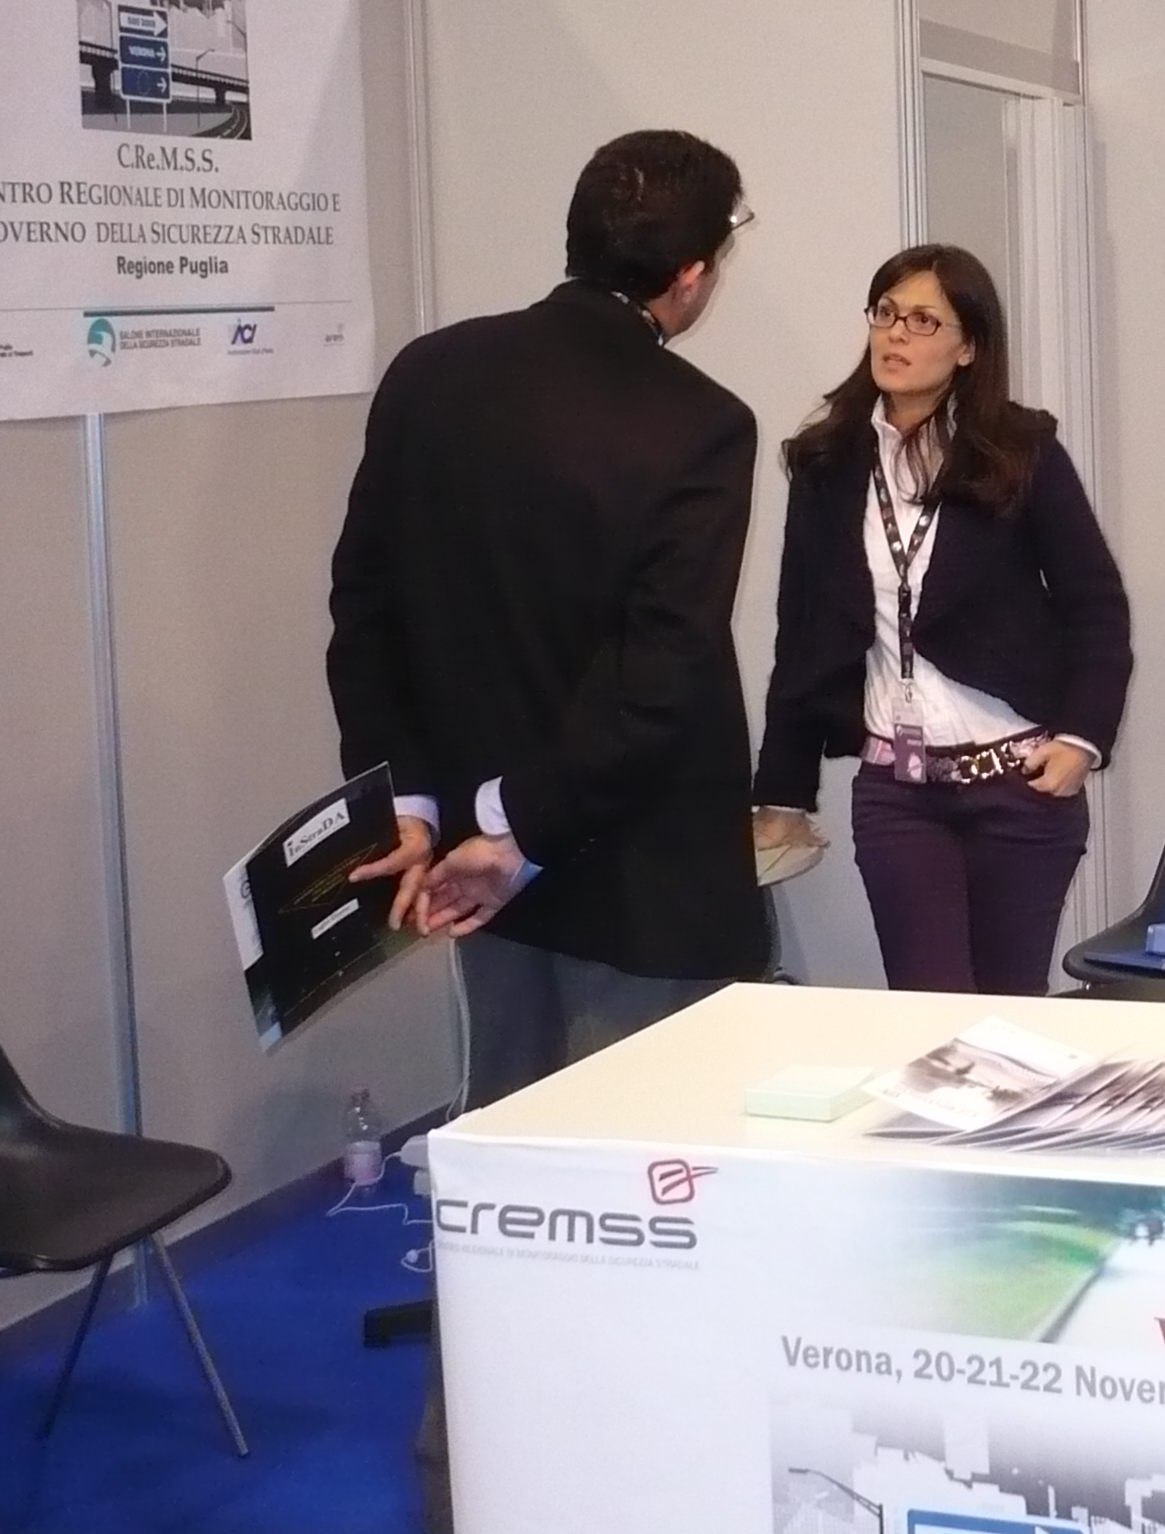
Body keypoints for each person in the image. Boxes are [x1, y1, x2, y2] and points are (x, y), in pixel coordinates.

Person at [326, 130, 765, 1533]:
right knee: (649, 1205)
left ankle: (474, 1481)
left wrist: (414, 808)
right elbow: (661, 673)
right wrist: (518, 828)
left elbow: (364, 609)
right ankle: (639, 1488)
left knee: (502, 1191)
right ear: (690, 273)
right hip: (630, 875)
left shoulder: (431, 375)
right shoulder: (699, 422)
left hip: (478, 881)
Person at [752, 243, 1131, 995]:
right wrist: (782, 790)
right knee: (928, 1007)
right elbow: (802, 631)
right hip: (898, 793)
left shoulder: (1019, 452)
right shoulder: (828, 462)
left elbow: (1095, 604)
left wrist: (1081, 741)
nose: (896, 334)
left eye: (924, 321)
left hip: (1018, 785)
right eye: (886, 313)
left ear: (968, 348)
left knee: (1007, 1011)